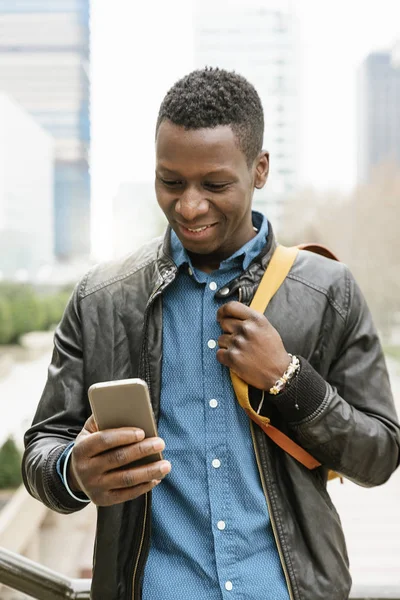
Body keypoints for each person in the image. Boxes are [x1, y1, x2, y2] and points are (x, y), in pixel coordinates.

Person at [23, 68, 400, 600]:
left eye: (215, 185)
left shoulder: (327, 290)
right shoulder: (100, 299)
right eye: (170, 181)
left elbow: (379, 455)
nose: (190, 206)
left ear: (260, 169)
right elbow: (42, 449)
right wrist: (72, 472)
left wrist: (288, 380)